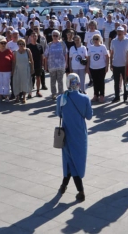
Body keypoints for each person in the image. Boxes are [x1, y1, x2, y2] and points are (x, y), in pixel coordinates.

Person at [56, 73, 93, 201]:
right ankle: (73, 188)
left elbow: (59, 114)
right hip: (80, 134)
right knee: (77, 160)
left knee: (69, 160)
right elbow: (89, 116)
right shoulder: (85, 99)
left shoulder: (61, 98)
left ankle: (74, 189)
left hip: (67, 134)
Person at [110, 27, 128, 103]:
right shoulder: (113, 41)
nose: (119, 33)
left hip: (125, 65)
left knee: (126, 82)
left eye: (121, 31)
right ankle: (117, 96)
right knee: (116, 82)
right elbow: (111, 53)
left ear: (124, 32)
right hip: (116, 64)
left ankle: (125, 96)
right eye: (118, 31)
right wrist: (111, 63)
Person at [45, 30, 67, 100]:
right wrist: (45, 65)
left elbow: (66, 54)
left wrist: (66, 63)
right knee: (53, 81)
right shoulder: (49, 45)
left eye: (56, 35)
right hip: (52, 66)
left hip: (60, 65)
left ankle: (61, 93)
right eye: (53, 35)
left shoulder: (62, 44)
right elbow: (46, 56)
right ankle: (53, 94)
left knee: (60, 80)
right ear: (52, 36)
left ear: (59, 36)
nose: (55, 37)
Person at [87, 34, 109, 103]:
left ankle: (102, 95)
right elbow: (88, 58)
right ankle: (96, 95)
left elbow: (107, 57)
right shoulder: (90, 47)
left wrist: (107, 66)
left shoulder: (103, 47)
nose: (95, 40)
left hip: (101, 67)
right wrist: (87, 67)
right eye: (94, 39)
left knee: (101, 82)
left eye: (97, 39)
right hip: (93, 67)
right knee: (95, 82)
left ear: (100, 40)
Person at [12, 39, 34, 103]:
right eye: (20, 44)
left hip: (26, 69)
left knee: (25, 83)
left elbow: (32, 61)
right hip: (17, 69)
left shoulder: (28, 50)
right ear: (18, 44)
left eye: (23, 44)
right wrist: (13, 70)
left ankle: (24, 97)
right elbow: (14, 62)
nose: (21, 45)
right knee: (17, 83)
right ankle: (17, 97)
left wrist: (32, 69)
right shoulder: (15, 52)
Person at [26, 32, 45, 98]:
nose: (34, 37)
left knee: (38, 78)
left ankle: (38, 91)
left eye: (35, 36)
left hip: (38, 64)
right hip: (30, 65)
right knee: (30, 79)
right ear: (30, 37)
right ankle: (30, 92)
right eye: (32, 36)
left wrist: (43, 64)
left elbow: (42, 56)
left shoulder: (40, 46)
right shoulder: (28, 46)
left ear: (37, 37)